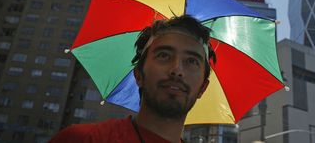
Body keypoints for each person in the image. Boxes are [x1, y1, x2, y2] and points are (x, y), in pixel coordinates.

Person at [49, 15, 216, 143]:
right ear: (138, 75)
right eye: (164, 55)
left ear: (203, 87)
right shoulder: (83, 139)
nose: (177, 70)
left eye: (192, 61)